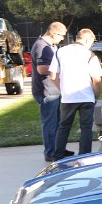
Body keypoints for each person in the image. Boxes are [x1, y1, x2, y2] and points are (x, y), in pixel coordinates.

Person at [49, 29, 102, 158]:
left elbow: (53, 75)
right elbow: (97, 79)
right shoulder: (90, 55)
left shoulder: (60, 52)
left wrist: (62, 88)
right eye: (92, 42)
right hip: (86, 96)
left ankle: (58, 155)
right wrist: (96, 95)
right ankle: (84, 156)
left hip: (68, 97)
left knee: (63, 127)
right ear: (87, 40)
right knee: (86, 128)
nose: (91, 45)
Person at [31, 22, 70, 162]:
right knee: (50, 124)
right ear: (53, 33)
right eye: (61, 36)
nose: (62, 39)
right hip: (47, 91)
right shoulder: (42, 46)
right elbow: (42, 69)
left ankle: (58, 150)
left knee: (57, 123)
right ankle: (50, 152)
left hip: (53, 90)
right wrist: (62, 68)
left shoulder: (49, 46)